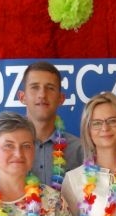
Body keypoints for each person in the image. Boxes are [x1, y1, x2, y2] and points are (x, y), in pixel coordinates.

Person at [18, 61, 84, 190]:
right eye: (35, 87)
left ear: (61, 98)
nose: (42, 94)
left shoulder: (79, 150)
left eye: (50, 88)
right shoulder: (5, 149)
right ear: (22, 97)